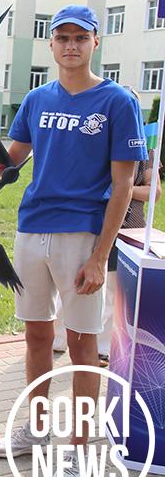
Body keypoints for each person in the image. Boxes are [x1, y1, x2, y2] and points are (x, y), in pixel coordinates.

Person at [0, 5, 147, 477]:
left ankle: (78, 451)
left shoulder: (117, 101)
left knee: (82, 345)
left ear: (95, 42)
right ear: (52, 45)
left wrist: (100, 256)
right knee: (37, 335)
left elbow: (123, 186)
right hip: (31, 229)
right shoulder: (37, 99)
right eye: (62, 38)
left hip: (82, 236)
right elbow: (8, 162)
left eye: (80, 37)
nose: (71, 46)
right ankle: (36, 428)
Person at [52, 88, 161, 365]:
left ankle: (103, 348)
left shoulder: (146, 151)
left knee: (112, 290)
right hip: (91, 224)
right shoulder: (96, 142)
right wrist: (118, 188)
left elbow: (154, 192)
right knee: (73, 282)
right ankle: (57, 339)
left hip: (128, 228)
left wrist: (122, 190)